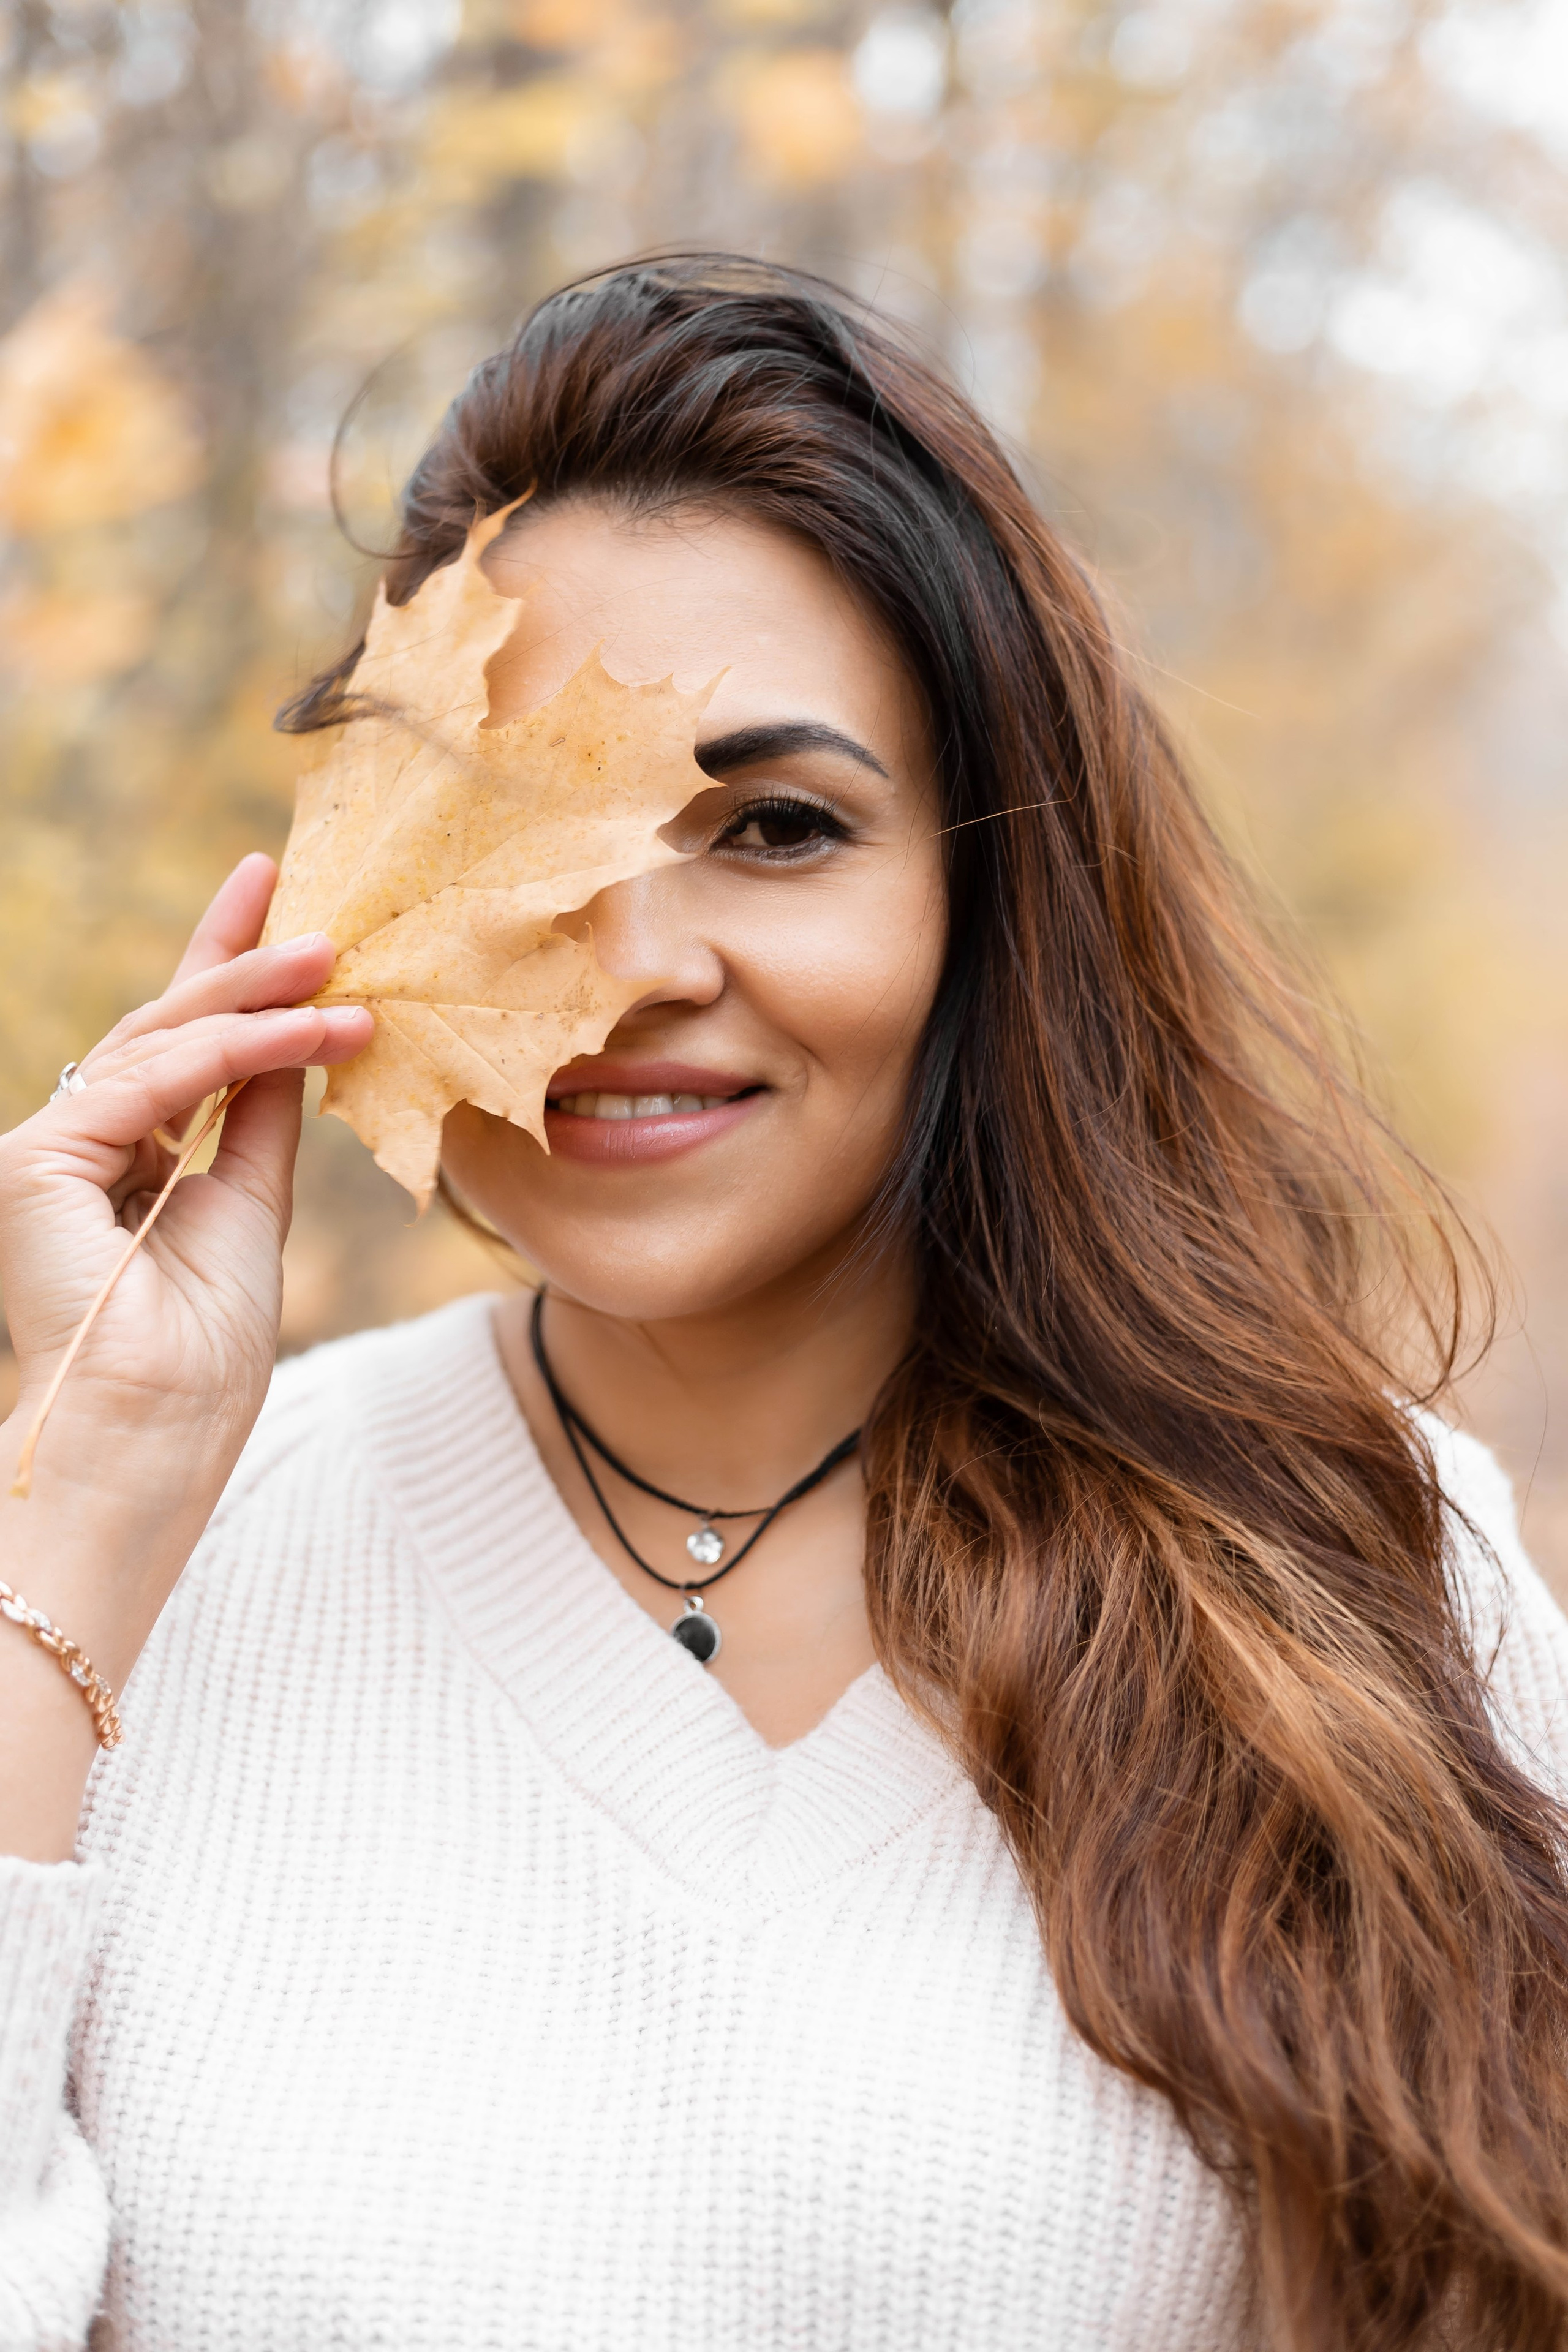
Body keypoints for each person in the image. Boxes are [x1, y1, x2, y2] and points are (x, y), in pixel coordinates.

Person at [2, 255, 1567, 2352]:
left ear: (985, 901)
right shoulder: (129, 1585)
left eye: (778, 827)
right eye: (507, 836)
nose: (630, 958)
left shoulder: (1359, 1562)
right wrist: (89, 1503)